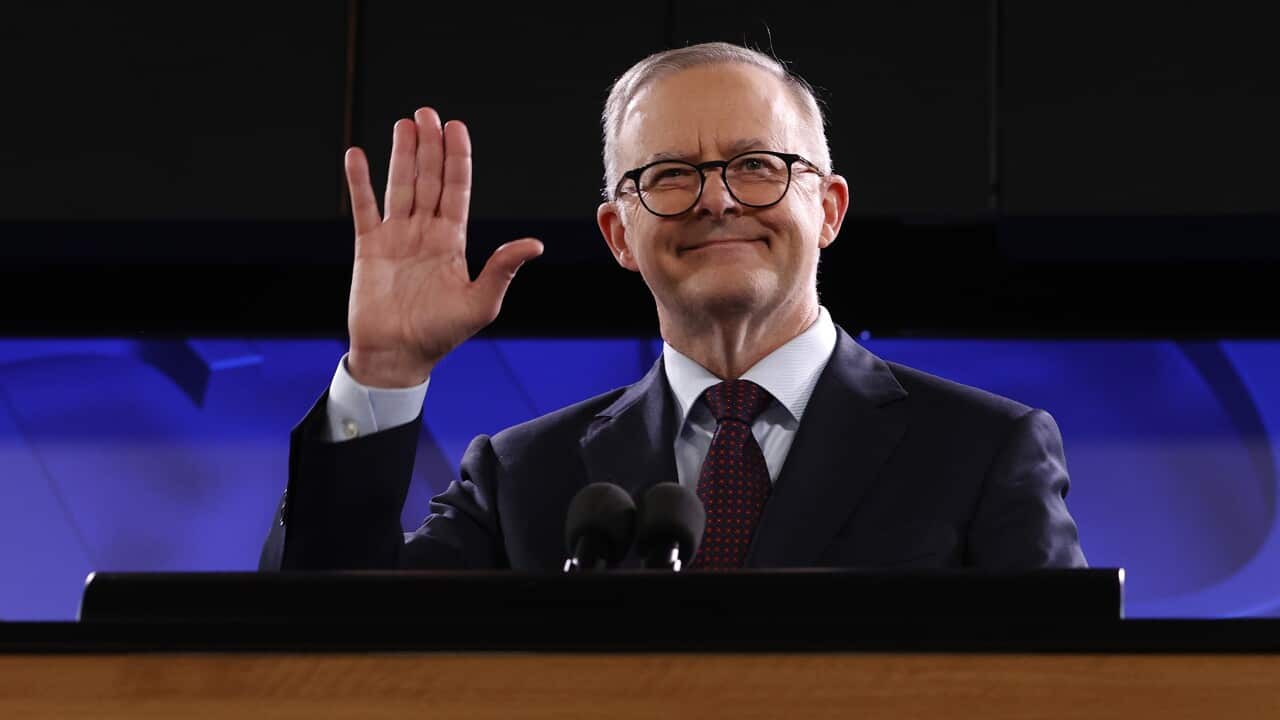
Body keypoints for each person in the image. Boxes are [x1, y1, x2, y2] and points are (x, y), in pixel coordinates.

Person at [260, 42, 1086, 571]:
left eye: (757, 165)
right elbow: (328, 641)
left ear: (828, 209)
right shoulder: (521, 478)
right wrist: (385, 372)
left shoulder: (983, 452)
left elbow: (1066, 690)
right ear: (620, 234)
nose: (716, 201)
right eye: (668, 176)